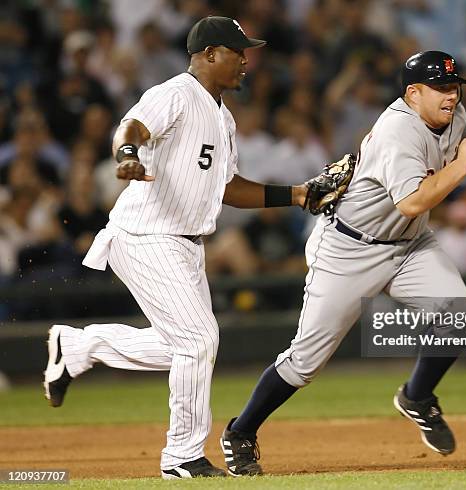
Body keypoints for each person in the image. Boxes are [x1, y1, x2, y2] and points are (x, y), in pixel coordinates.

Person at [42, 16, 318, 480]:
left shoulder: (222, 116)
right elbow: (130, 127)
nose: (246, 61)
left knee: (185, 347)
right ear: (210, 54)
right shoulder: (175, 93)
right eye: (238, 52)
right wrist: (127, 156)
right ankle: (182, 456)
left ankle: (79, 346)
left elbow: (229, 187)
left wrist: (294, 193)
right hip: (147, 234)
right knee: (199, 340)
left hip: (186, 244)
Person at [220, 51, 466, 476]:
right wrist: (463, 167)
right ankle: (240, 431)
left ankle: (416, 397)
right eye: (439, 87)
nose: (451, 95)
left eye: (454, 87)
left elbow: (413, 203)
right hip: (350, 250)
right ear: (412, 93)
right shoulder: (397, 130)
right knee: (305, 362)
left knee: (460, 318)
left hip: (410, 244)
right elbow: (414, 199)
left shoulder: (455, 116)